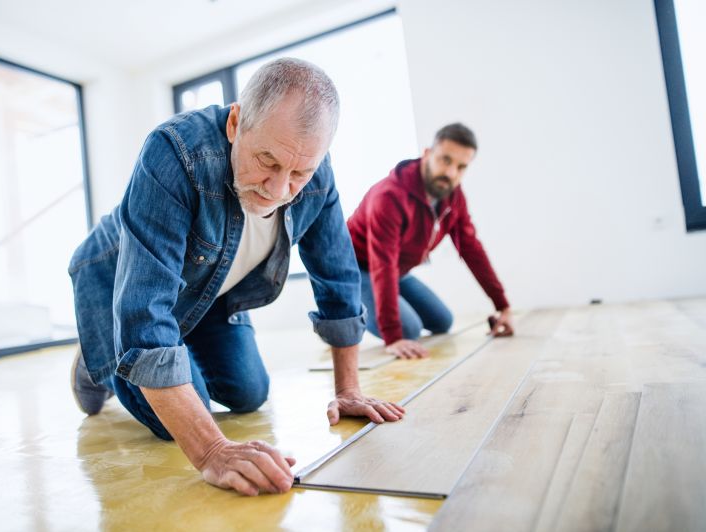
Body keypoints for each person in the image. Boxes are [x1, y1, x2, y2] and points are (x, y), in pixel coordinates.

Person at [67, 58, 404, 497]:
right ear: (235, 123)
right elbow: (144, 318)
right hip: (117, 284)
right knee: (179, 422)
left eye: (298, 173)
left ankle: (151, 351)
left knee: (249, 392)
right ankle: (98, 362)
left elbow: (338, 278)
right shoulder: (173, 152)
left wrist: (348, 388)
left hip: (207, 293)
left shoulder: (315, 171)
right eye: (267, 160)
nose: (279, 190)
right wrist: (211, 452)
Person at [346, 123, 515, 359]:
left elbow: (471, 248)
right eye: (445, 160)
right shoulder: (389, 197)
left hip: (396, 271)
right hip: (356, 269)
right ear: (427, 154)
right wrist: (393, 337)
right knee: (408, 329)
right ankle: (336, 313)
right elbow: (382, 263)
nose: (451, 173)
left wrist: (502, 305)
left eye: (461, 166)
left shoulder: (452, 196)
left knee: (442, 321)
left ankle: (378, 310)